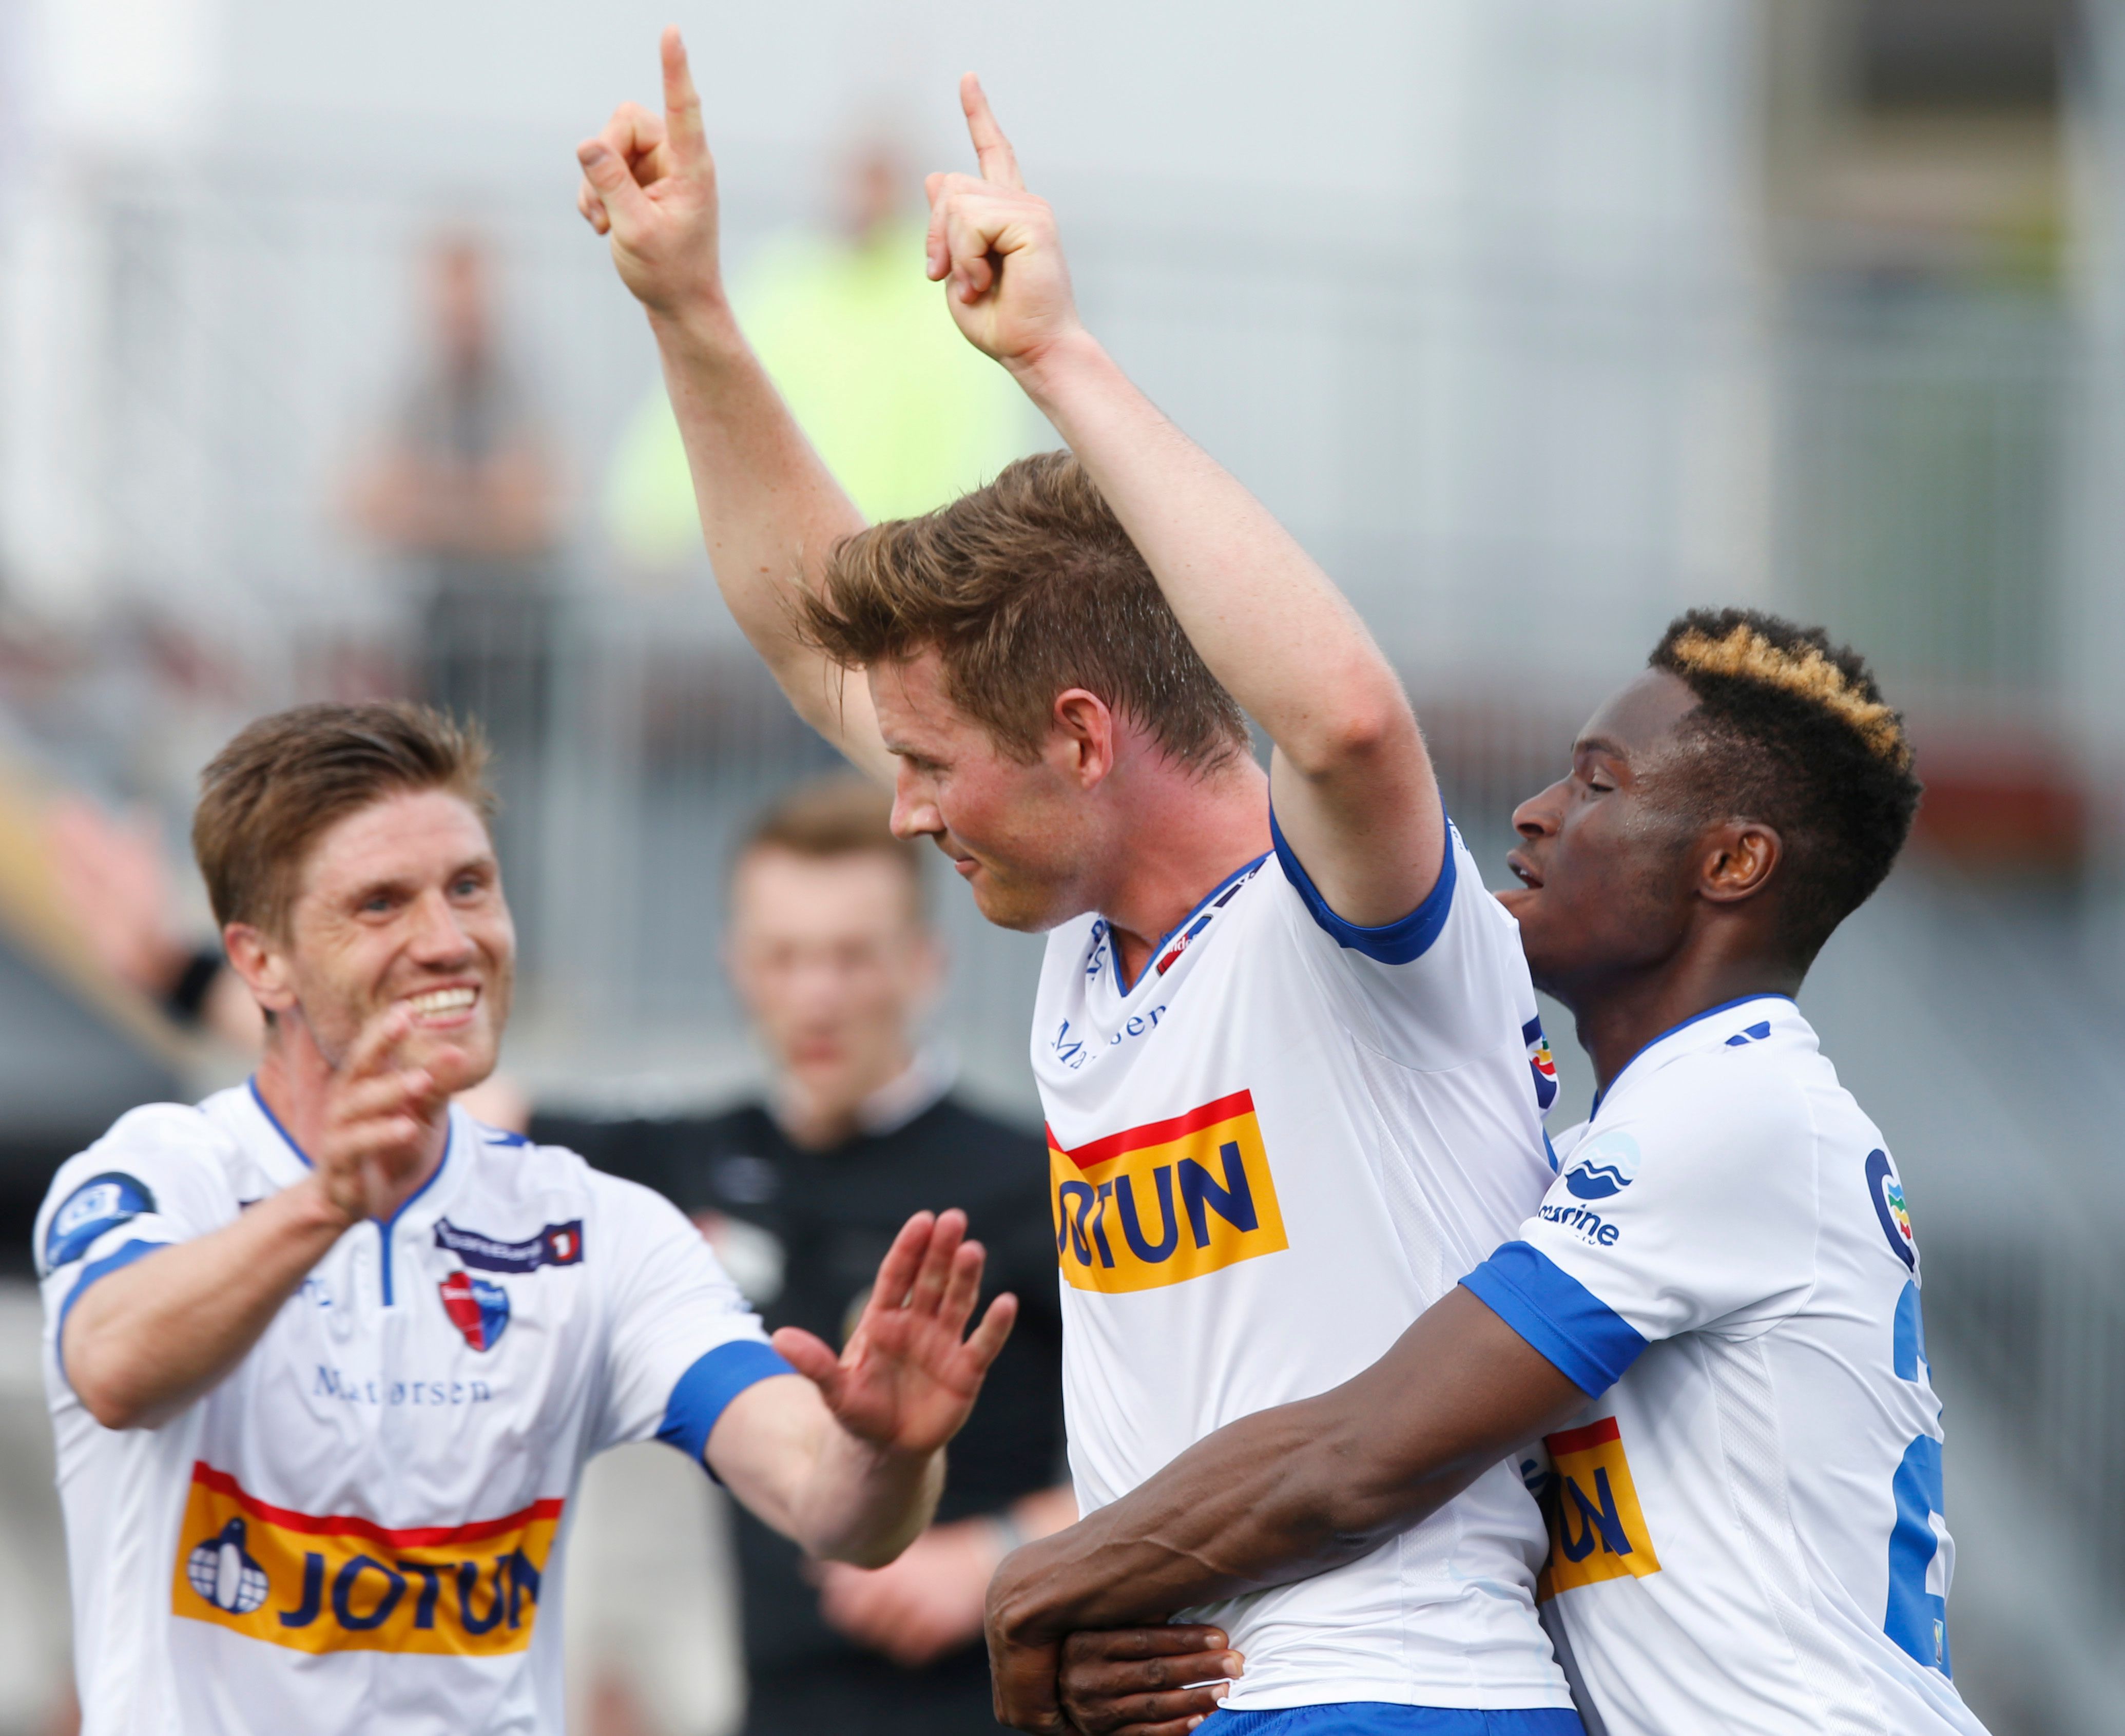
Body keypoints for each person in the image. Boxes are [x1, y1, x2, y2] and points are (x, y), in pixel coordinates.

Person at [576, 34, 1580, 1731]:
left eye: (930, 767)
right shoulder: (1090, 928)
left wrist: (1054, 354)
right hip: (1185, 1697)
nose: (901, 810)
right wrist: (688, 312)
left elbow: (1345, 719)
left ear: (1082, 736)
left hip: (1390, 1697)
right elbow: (810, 631)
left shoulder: (1335, 920)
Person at [998, 612, 1992, 1736]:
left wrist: (1045, 1585)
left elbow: (1361, 1456)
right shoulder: (1615, 1150)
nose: (1534, 810)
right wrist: (1130, 1612)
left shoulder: (1739, 1110)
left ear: (1732, 862)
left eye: (1599, 784)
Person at [34, 700, 1016, 1735]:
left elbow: (826, 1500)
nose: (449, 940)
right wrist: (324, 1206)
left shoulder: (597, 1228)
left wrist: (885, 1454)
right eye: (380, 903)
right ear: (260, 960)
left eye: (469, 885)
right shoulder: (164, 1171)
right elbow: (114, 1367)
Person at [536, 774, 1073, 1735]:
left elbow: (1191, 1444)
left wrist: (994, 1554)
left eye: (852, 957)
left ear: (926, 963)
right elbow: (453, 1128)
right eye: (784, 957)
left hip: (987, 1707)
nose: (817, 996)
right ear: (737, 964)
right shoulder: (694, 1157)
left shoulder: (1038, 1179)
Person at [601, 134, 1030, 572]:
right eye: (860, 181)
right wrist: (649, 517)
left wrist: (958, 555)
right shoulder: (787, 281)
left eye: (879, 182)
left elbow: (978, 435)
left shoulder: (944, 297)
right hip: (793, 562)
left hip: (906, 571)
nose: (867, 198)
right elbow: (709, 389)